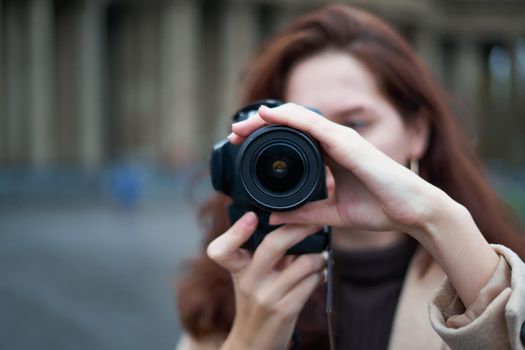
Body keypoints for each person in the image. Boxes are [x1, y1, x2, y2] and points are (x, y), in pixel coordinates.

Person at [176, 4, 525, 350]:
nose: (333, 146)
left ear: (416, 132)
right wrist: (248, 341)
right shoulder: (232, 288)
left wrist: (441, 221)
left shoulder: (487, 271)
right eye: (301, 128)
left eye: (355, 124)